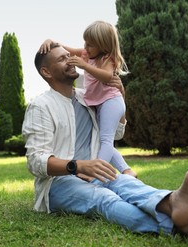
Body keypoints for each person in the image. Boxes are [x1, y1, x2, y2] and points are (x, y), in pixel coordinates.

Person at [22, 42, 188, 239]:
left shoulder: (88, 98)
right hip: (59, 184)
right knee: (104, 199)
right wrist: (79, 166)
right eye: (61, 59)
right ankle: (180, 228)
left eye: (68, 55)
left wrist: (120, 96)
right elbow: (36, 161)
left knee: (128, 184)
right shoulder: (41, 106)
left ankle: (174, 202)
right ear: (46, 72)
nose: (70, 60)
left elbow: (116, 134)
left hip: (96, 173)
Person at [40, 20, 136, 178]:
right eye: (85, 43)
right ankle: (127, 170)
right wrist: (52, 42)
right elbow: (67, 50)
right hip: (102, 103)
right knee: (101, 140)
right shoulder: (87, 54)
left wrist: (84, 66)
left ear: (103, 45)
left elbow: (107, 76)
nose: (85, 47)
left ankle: (96, 173)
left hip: (111, 101)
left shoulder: (107, 59)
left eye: (90, 44)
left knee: (105, 140)